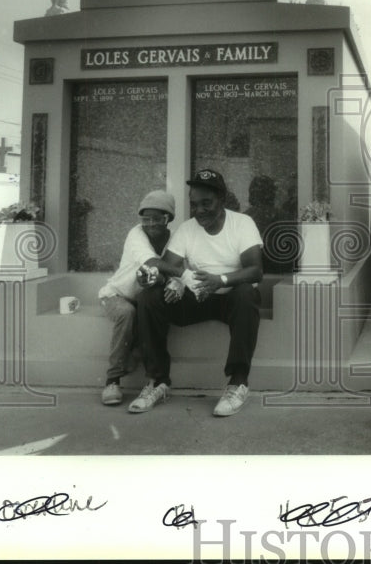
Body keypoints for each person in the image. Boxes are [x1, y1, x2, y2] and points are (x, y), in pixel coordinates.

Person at [129, 168, 264, 417]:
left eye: (206, 203)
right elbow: (169, 266)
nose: (199, 210)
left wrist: (220, 279)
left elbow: (255, 270)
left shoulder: (242, 224)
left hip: (231, 299)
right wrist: (156, 279)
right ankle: (157, 382)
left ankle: (238, 382)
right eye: (194, 204)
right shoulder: (188, 229)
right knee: (148, 297)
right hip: (198, 297)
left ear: (222, 200)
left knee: (246, 293)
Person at [98, 190, 176, 406]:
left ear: (168, 219)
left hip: (143, 298)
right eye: (145, 218)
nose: (150, 224)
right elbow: (151, 263)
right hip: (117, 296)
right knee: (127, 312)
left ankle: (136, 356)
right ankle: (112, 381)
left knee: (157, 312)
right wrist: (179, 274)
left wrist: (172, 279)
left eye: (157, 219)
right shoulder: (136, 234)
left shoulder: (176, 237)